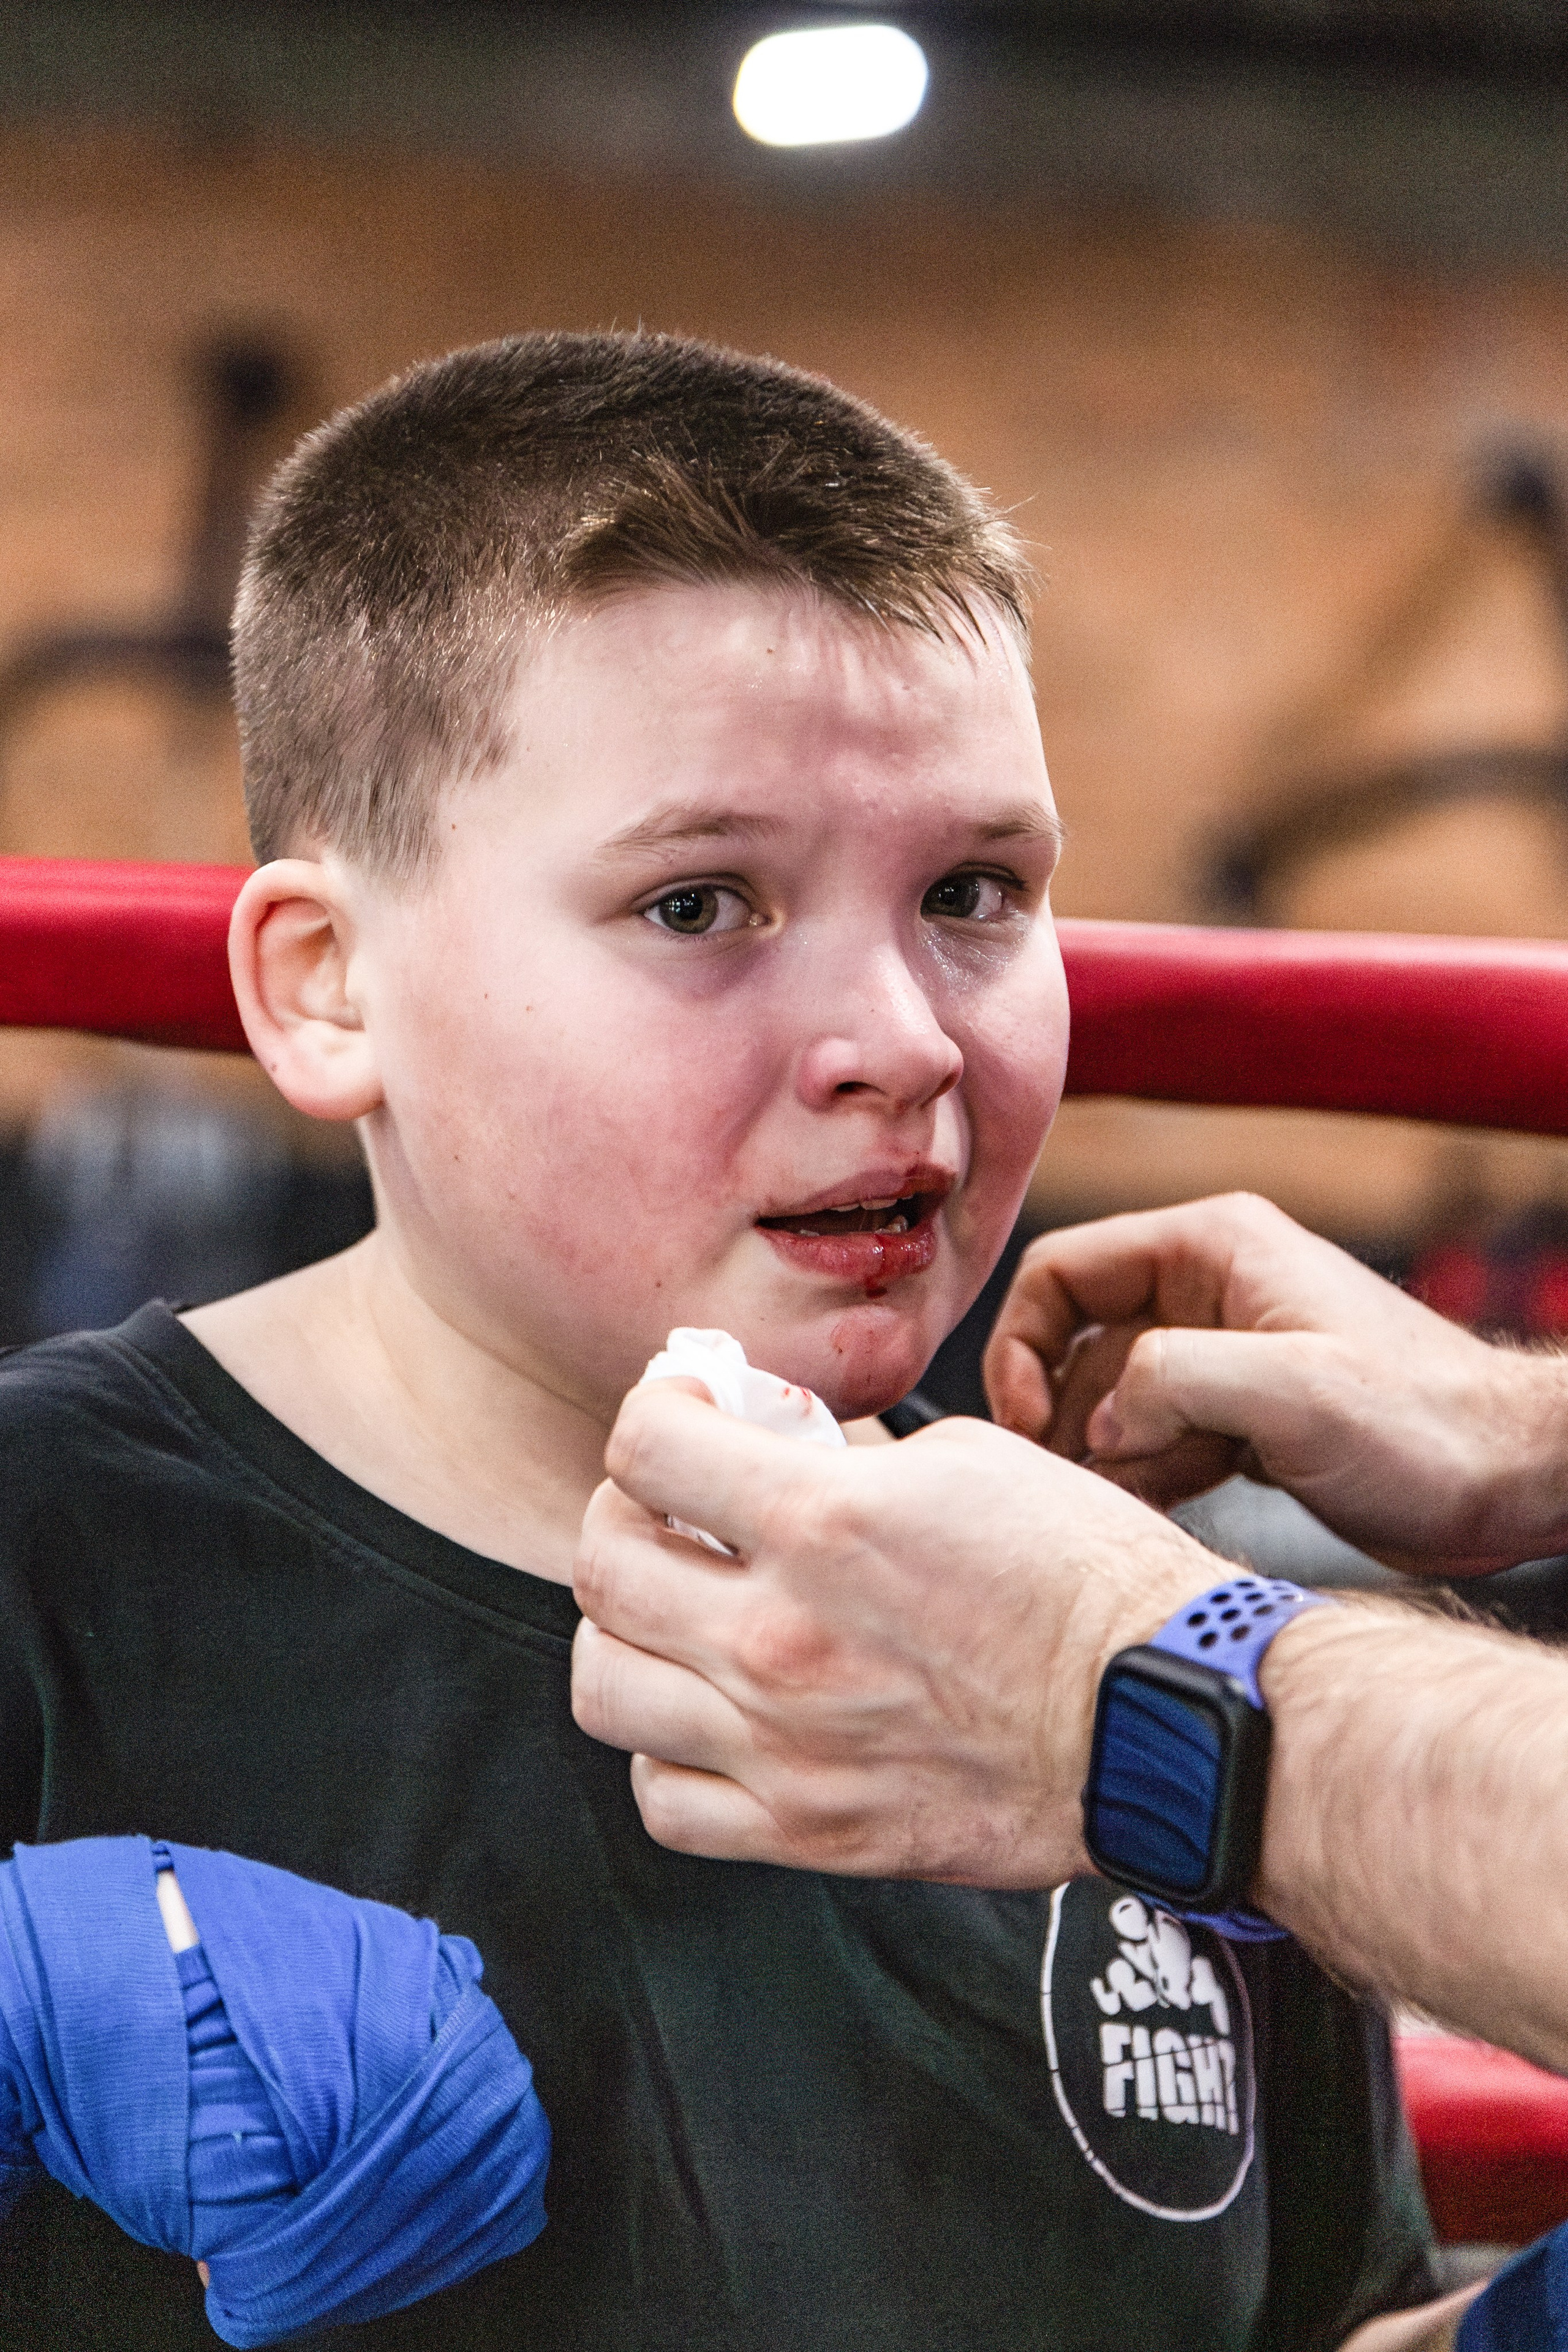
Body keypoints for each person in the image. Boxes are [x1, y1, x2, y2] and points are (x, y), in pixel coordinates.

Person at [0, 334, 1437, 2348]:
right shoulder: (49, 1564)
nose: (907, 1042)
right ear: (328, 990)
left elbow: (1316, 2314)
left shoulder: (1152, 1647)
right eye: (700, 905)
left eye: (975, 891)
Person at [573, 1194, 1568, 2350]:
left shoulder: (1115, 1568)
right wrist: (1534, 1430)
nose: (908, 1046)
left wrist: (1143, 1680)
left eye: (973, 990)